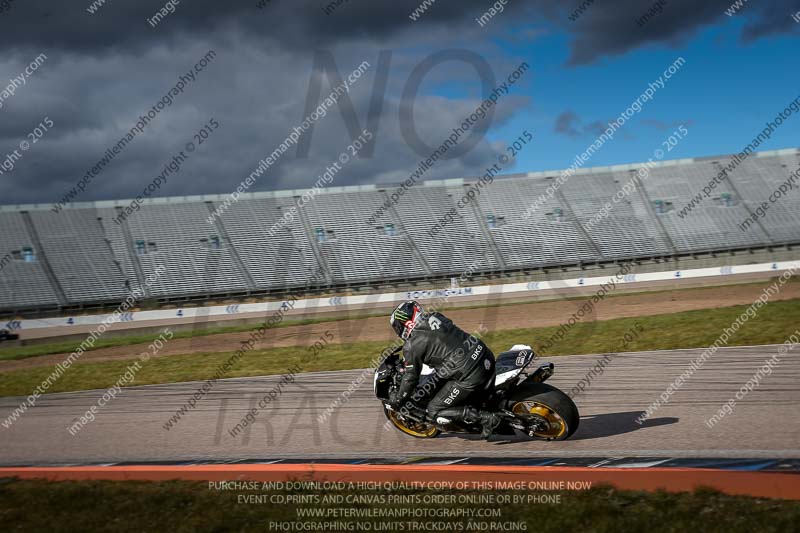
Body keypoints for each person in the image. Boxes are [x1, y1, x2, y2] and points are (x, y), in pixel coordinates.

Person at [388, 300, 501, 439]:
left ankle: (485, 418)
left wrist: (399, 399)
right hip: (483, 353)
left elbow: (411, 378)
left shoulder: (412, 345)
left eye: (398, 326)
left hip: (470, 374)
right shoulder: (436, 316)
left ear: (405, 322)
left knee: (434, 410)